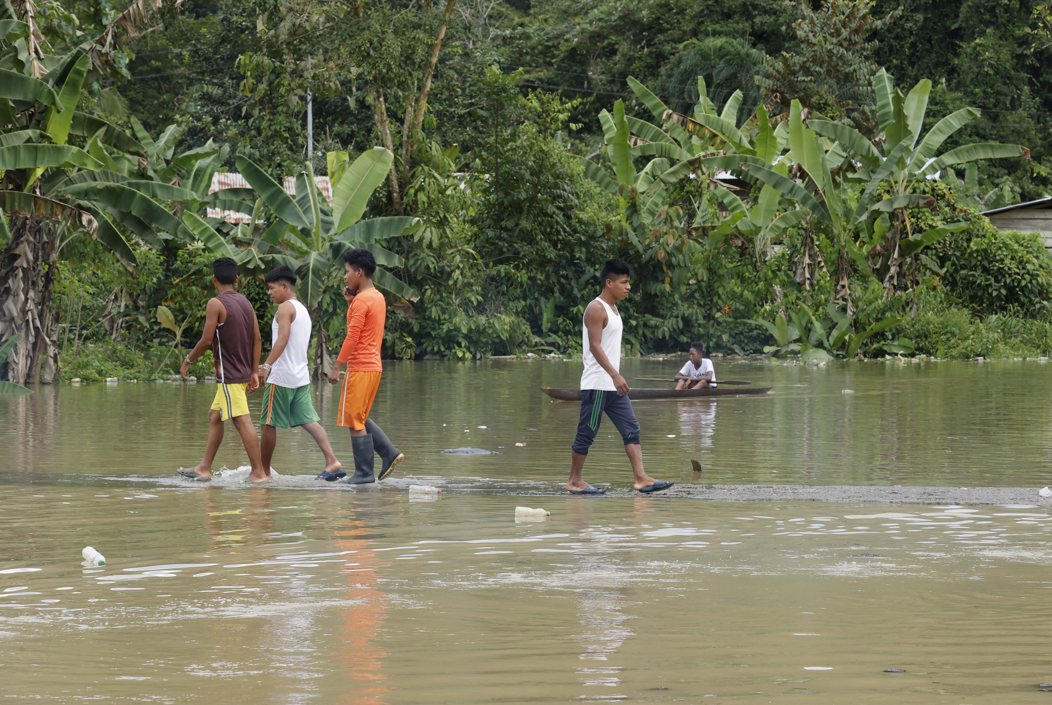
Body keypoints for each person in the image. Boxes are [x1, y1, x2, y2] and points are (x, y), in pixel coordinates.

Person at [565, 259, 674, 496]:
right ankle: (574, 480)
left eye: (628, 283)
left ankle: (641, 479)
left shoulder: (614, 309)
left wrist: (616, 378)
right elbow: (595, 346)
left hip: (613, 386)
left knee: (631, 428)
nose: (628, 287)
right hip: (598, 385)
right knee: (588, 431)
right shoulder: (596, 308)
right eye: (624, 283)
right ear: (609, 283)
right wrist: (615, 375)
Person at [178, 257, 268, 483]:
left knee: (241, 420)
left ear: (213, 279)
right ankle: (204, 468)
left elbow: (207, 340)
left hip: (230, 375)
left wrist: (188, 360)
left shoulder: (215, 304)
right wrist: (254, 371)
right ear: (237, 279)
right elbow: (257, 338)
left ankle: (258, 472)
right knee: (215, 416)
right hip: (242, 372)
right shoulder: (246, 302)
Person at [256, 265, 343, 480]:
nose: (269, 293)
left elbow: (283, 338)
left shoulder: (285, 307)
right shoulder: (302, 309)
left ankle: (263, 472)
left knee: (267, 424)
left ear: (284, 286)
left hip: (282, 377)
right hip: (300, 377)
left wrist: (265, 365)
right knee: (310, 421)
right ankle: (333, 461)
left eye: (271, 288)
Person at [327, 249, 404, 484]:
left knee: (353, 420)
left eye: (348, 272)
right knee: (360, 416)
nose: (345, 277)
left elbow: (352, 337)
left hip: (360, 366)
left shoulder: (361, 301)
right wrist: (351, 301)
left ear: (359, 272)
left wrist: (337, 366)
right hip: (374, 366)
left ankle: (363, 473)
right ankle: (389, 453)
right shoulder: (377, 297)